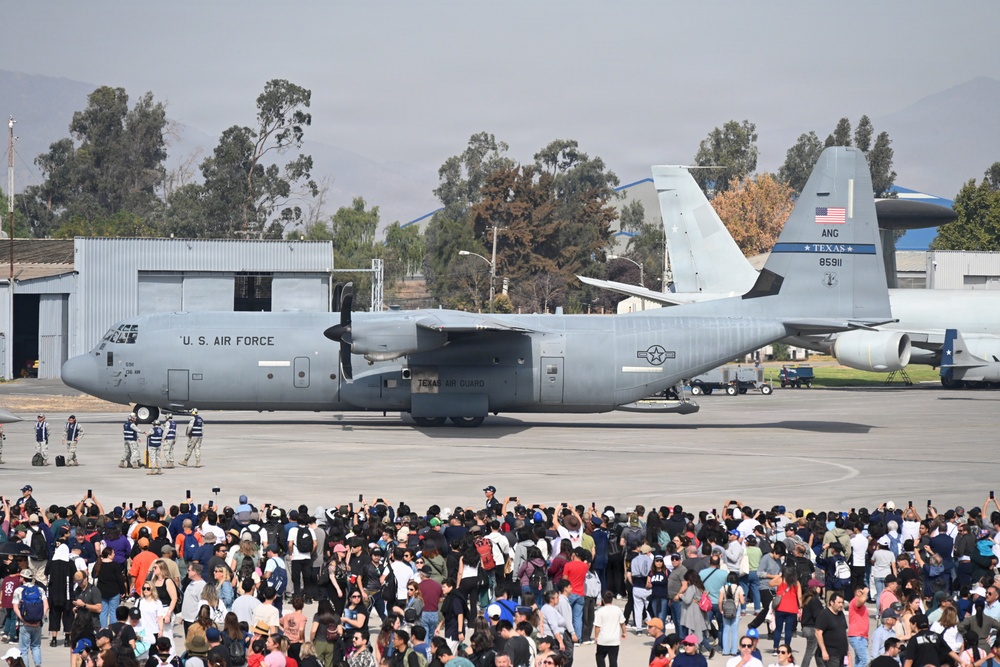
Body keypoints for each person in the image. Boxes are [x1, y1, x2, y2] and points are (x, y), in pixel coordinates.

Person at [13, 569, 48, 667]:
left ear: (23, 578)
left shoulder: (18, 590)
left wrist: (24, 620)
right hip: (37, 623)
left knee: (24, 649)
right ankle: (37, 664)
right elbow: (46, 605)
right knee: (36, 646)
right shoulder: (40, 589)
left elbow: (15, 608)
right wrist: (41, 618)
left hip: (24, 624)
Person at [815, 592, 849, 667]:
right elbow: (818, 633)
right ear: (831, 602)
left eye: (842, 602)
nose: (841, 605)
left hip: (841, 653)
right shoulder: (824, 614)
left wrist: (847, 652)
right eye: (839, 602)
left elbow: (844, 632)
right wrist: (824, 651)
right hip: (830, 654)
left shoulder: (841, 614)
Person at [593, 591, 626, 667]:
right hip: (614, 640)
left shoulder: (600, 611)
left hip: (603, 639)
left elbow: (597, 626)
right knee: (613, 659)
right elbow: (622, 623)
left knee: (600, 656)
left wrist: (596, 637)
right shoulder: (617, 610)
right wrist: (624, 632)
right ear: (612, 599)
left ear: (603, 600)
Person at [719, 572, 745, 657]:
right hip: (735, 610)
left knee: (726, 630)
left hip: (725, 610)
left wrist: (721, 610)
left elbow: (720, 601)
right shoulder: (739, 588)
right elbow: (742, 601)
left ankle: (725, 650)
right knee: (734, 631)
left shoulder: (723, 588)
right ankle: (734, 650)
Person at [848, 586, 871, 667]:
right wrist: (864, 592)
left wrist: (866, 637)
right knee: (865, 660)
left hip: (861, 637)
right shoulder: (855, 601)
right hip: (857, 636)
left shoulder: (862, 605)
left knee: (859, 660)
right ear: (858, 593)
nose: (867, 595)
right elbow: (861, 600)